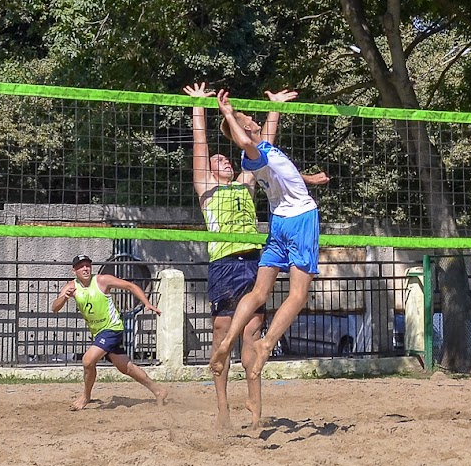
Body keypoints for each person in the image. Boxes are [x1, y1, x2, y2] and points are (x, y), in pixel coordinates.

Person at [183, 82, 328, 429]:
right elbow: (202, 146)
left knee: (252, 332)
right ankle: (222, 411)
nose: (221, 160)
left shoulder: (246, 182)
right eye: (217, 159)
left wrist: (272, 109)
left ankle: (256, 414)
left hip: (252, 257)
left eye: (224, 157)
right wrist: (200, 107)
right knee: (222, 331)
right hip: (224, 262)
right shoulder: (207, 187)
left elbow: (266, 142)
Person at [207, 88, 321, 394]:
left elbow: (265, 143)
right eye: (250, 118)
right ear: (245, 128)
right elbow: (246, 139)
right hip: (300, 220)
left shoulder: (259, 154)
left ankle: (228, 341)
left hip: (278, 223)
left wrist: (275, 108)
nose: (254, 119)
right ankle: (267, 344)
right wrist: (228, 112)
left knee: (259, 293)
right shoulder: (252, 153)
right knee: (297, 295)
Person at [52, 255, 169, 411]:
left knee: (88, 361)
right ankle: (158, 391)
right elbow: (54, 308)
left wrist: (147, 303)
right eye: (81, 266)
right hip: (99, 332)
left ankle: (85, 397)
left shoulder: (101, 280)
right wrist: (64, 298)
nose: (85, 268)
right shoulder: (71, 287)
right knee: (126, 368)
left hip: (112, 328)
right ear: (74, 271)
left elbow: (130, 286)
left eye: (88, 265)